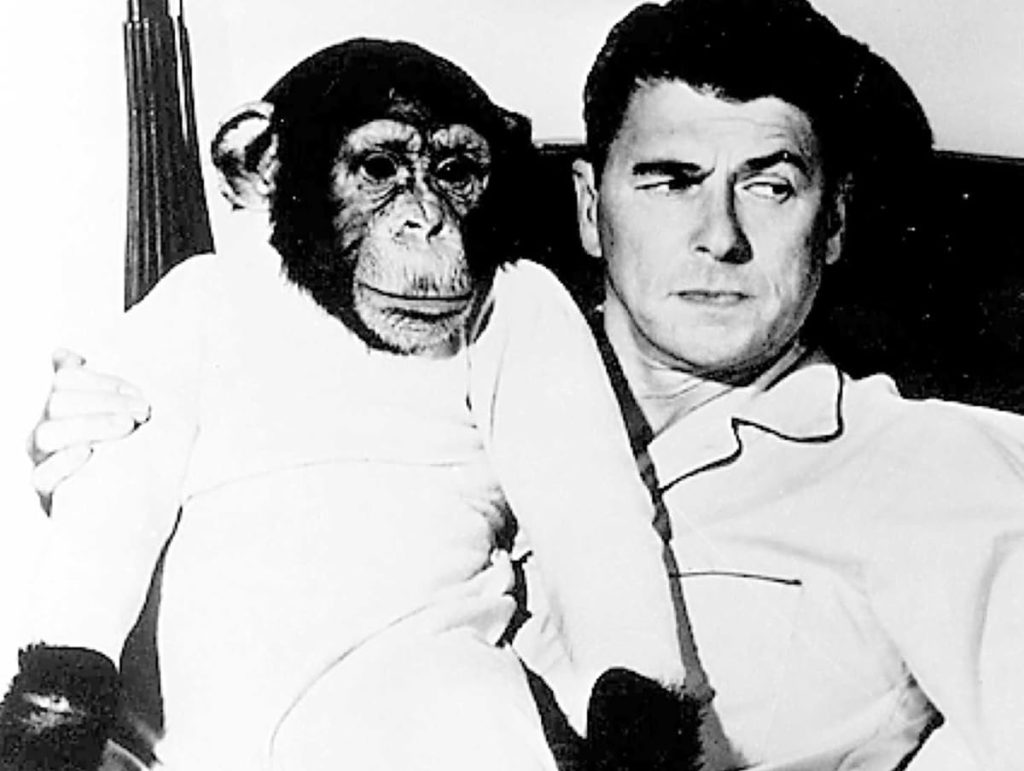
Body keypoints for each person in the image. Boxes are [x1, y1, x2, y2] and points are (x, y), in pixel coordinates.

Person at [25, 0, 1024, 769]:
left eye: (769, 184)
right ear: (589, 206)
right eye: (670, 180)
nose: (719, 236)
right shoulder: (435, 364)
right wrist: (96, 457)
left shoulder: (939, 467)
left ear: (833, 222)